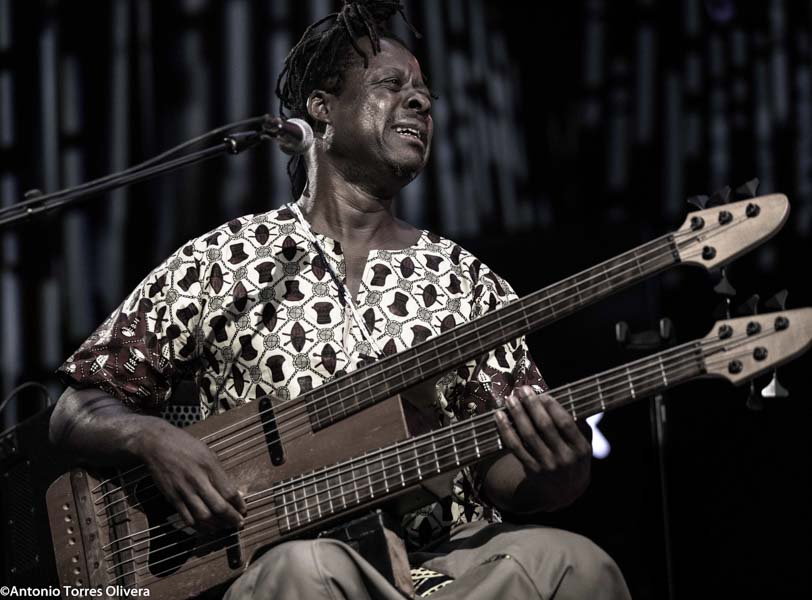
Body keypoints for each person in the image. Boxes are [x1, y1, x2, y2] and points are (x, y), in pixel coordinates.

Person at [49, 1, 631, 598]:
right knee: (310, 567)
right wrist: (149, 438)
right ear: (322, 109)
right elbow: (75, 409)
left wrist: (560, 472)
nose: (420, 102)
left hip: (447, 565)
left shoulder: (467, 281)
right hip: (282, 562)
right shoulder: (226, 259)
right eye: (391, 84)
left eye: (425, 93)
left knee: (576, 563)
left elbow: (503, 474)